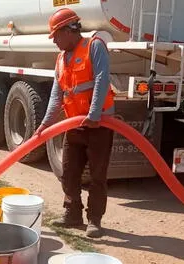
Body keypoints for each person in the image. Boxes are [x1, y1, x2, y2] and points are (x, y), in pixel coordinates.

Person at [34, 8, 115, 238]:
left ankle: (94, 220)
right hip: (74, 125)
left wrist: (94, 113)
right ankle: (72, 215)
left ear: (69, 30)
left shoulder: (94, 46)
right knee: (68, 172)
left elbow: (102, 79)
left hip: (100, 125)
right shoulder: (60, 59)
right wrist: (44, 125)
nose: (55, 42)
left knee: (97, 175)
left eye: (56, 36)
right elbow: (56, 97)